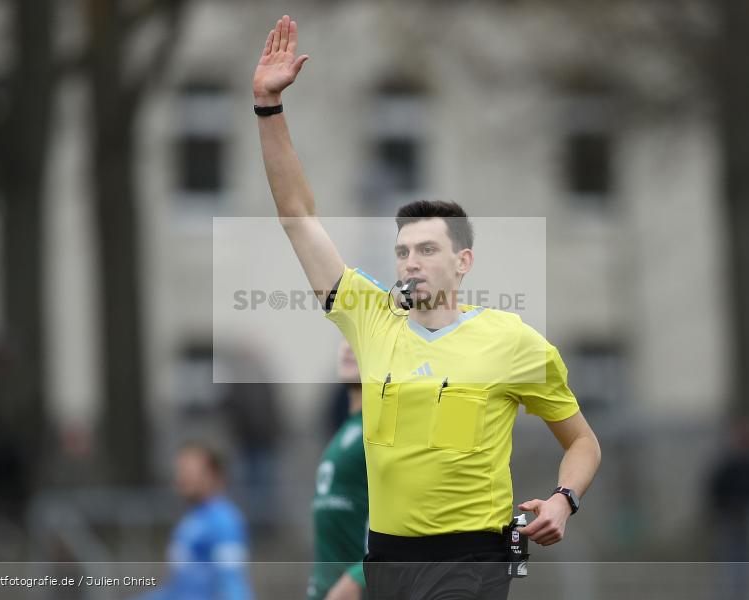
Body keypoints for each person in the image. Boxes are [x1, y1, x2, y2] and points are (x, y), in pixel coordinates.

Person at [253, 15, 602, 600]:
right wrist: (268, 109)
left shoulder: (511, 340)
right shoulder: (371, 318)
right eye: (402, 251)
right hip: (386, 558)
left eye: (427, 249)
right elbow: (297, 218)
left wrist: (564, 502)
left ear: (462, 263)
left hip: (474, 559)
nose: (410, 262)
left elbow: (584, 442)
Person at [142, 442, 254, 600]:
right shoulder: (193, 519)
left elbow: (232, 582)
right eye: (179, 470)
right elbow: (179, 589)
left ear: (213, 475)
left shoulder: (223, 522)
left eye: (189, 471)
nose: (181, 478)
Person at [307, 341, 369, 600]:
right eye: (345, 337)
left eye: (359, 339)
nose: (347, 347)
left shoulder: (386, 431)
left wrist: (358, 578)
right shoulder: (346, 429)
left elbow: (415, 521)